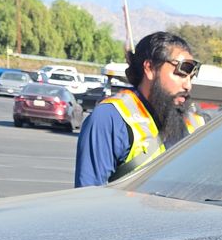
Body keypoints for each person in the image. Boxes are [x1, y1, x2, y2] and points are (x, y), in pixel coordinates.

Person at [74, 32, 205, 187]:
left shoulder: (195, 121)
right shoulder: (111, 117)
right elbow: (89, 195)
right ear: (149, 68)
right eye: (181, 73)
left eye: (191, 77)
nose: (187, 85)